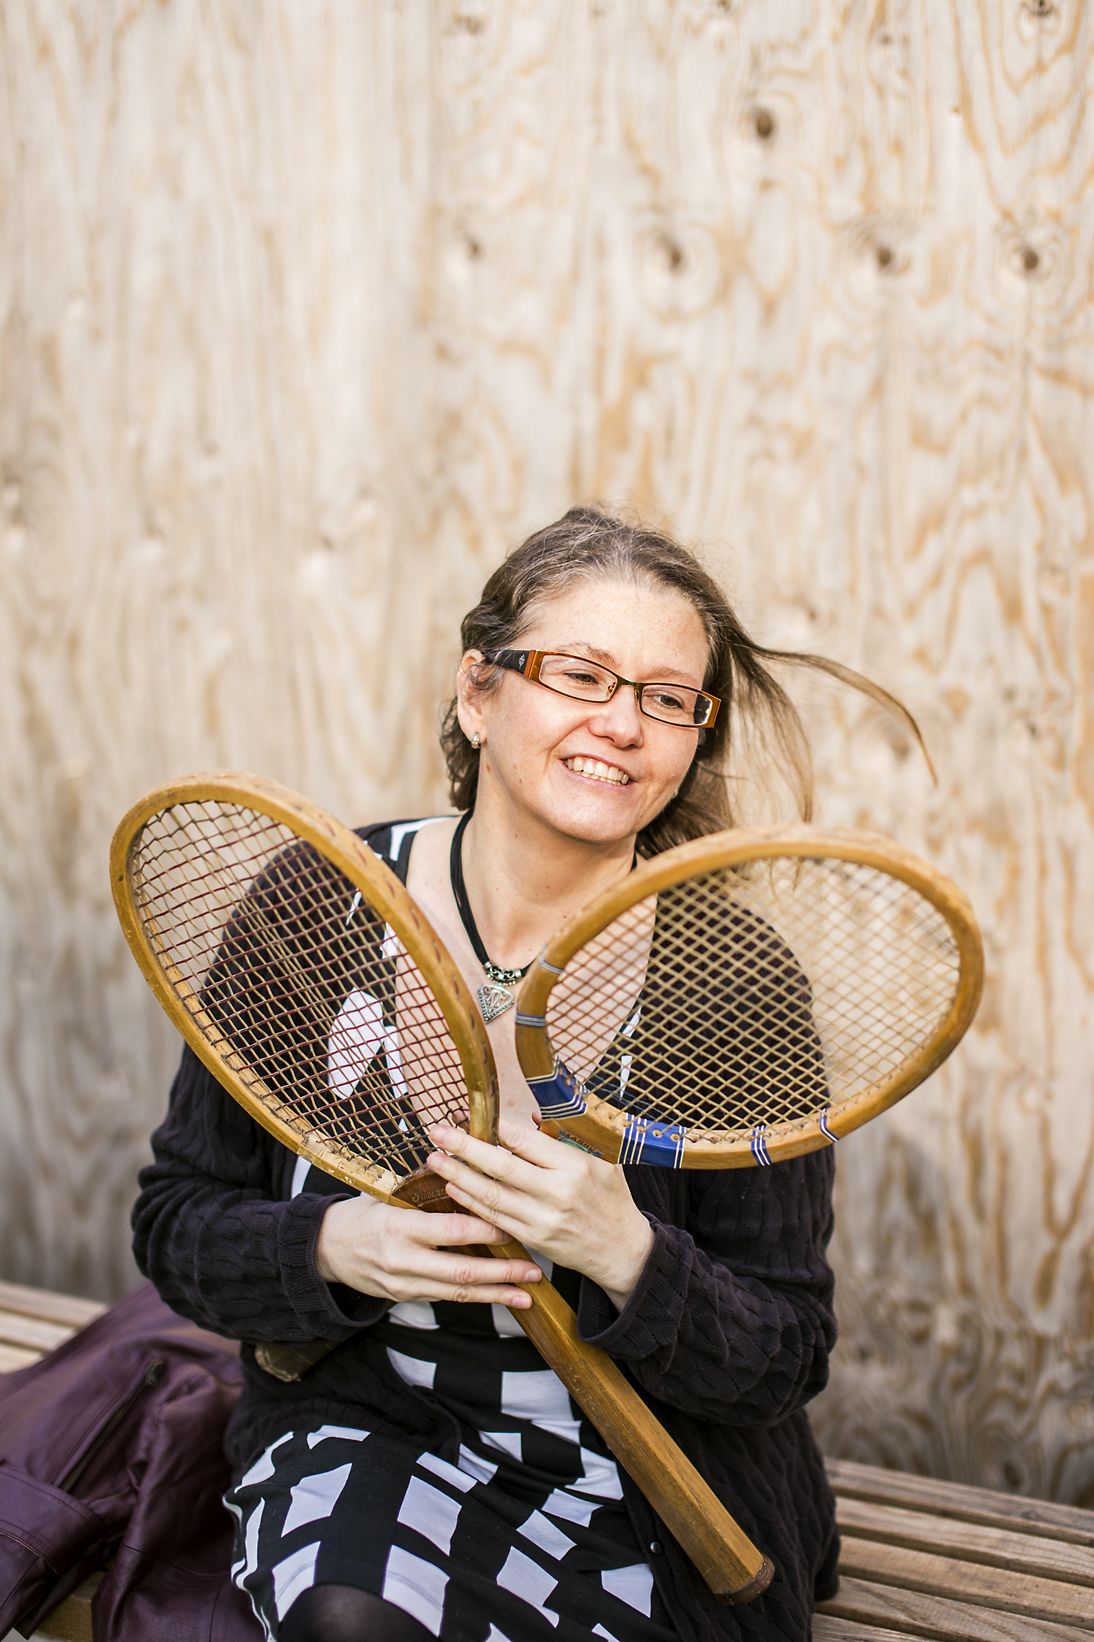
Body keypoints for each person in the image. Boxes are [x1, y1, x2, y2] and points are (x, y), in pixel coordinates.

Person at [133, 507, 914, 1641]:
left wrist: (626, 1252)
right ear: (478, 692)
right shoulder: (316, 907)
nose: (622, 724)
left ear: (693, 737)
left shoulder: (730, 980)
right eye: (580, 674)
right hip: (372, 1436)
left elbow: (784, 1354)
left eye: (668, 698)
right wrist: (334, 1248)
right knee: (349, 1619)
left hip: (653, 1492)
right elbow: (176, 1224)